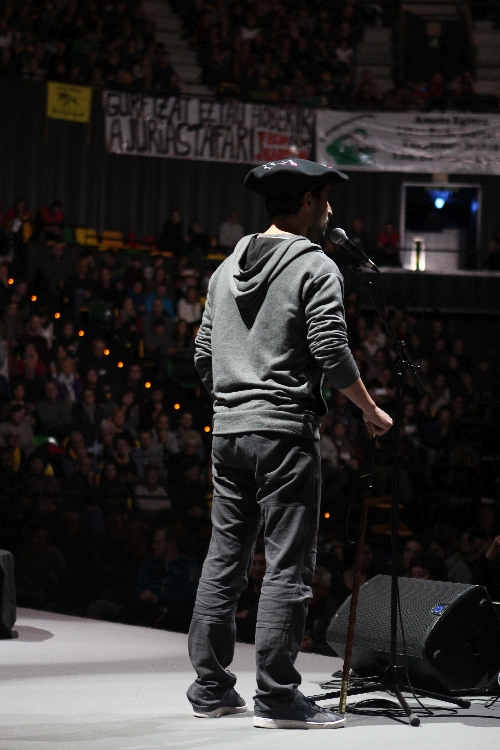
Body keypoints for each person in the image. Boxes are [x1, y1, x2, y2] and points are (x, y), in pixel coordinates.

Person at [187, 158, 393, 729]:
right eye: (325, 199)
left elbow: (203, 354)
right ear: (305, 201)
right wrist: (370, 409)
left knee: (224, 557)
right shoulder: (316, 265)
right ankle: (277, 698)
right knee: (287, 565)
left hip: (228, 432)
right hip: (282, 434)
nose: (330, 210)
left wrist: (235, 397)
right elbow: (330, 349)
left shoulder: (224, 269)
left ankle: (211, 688)